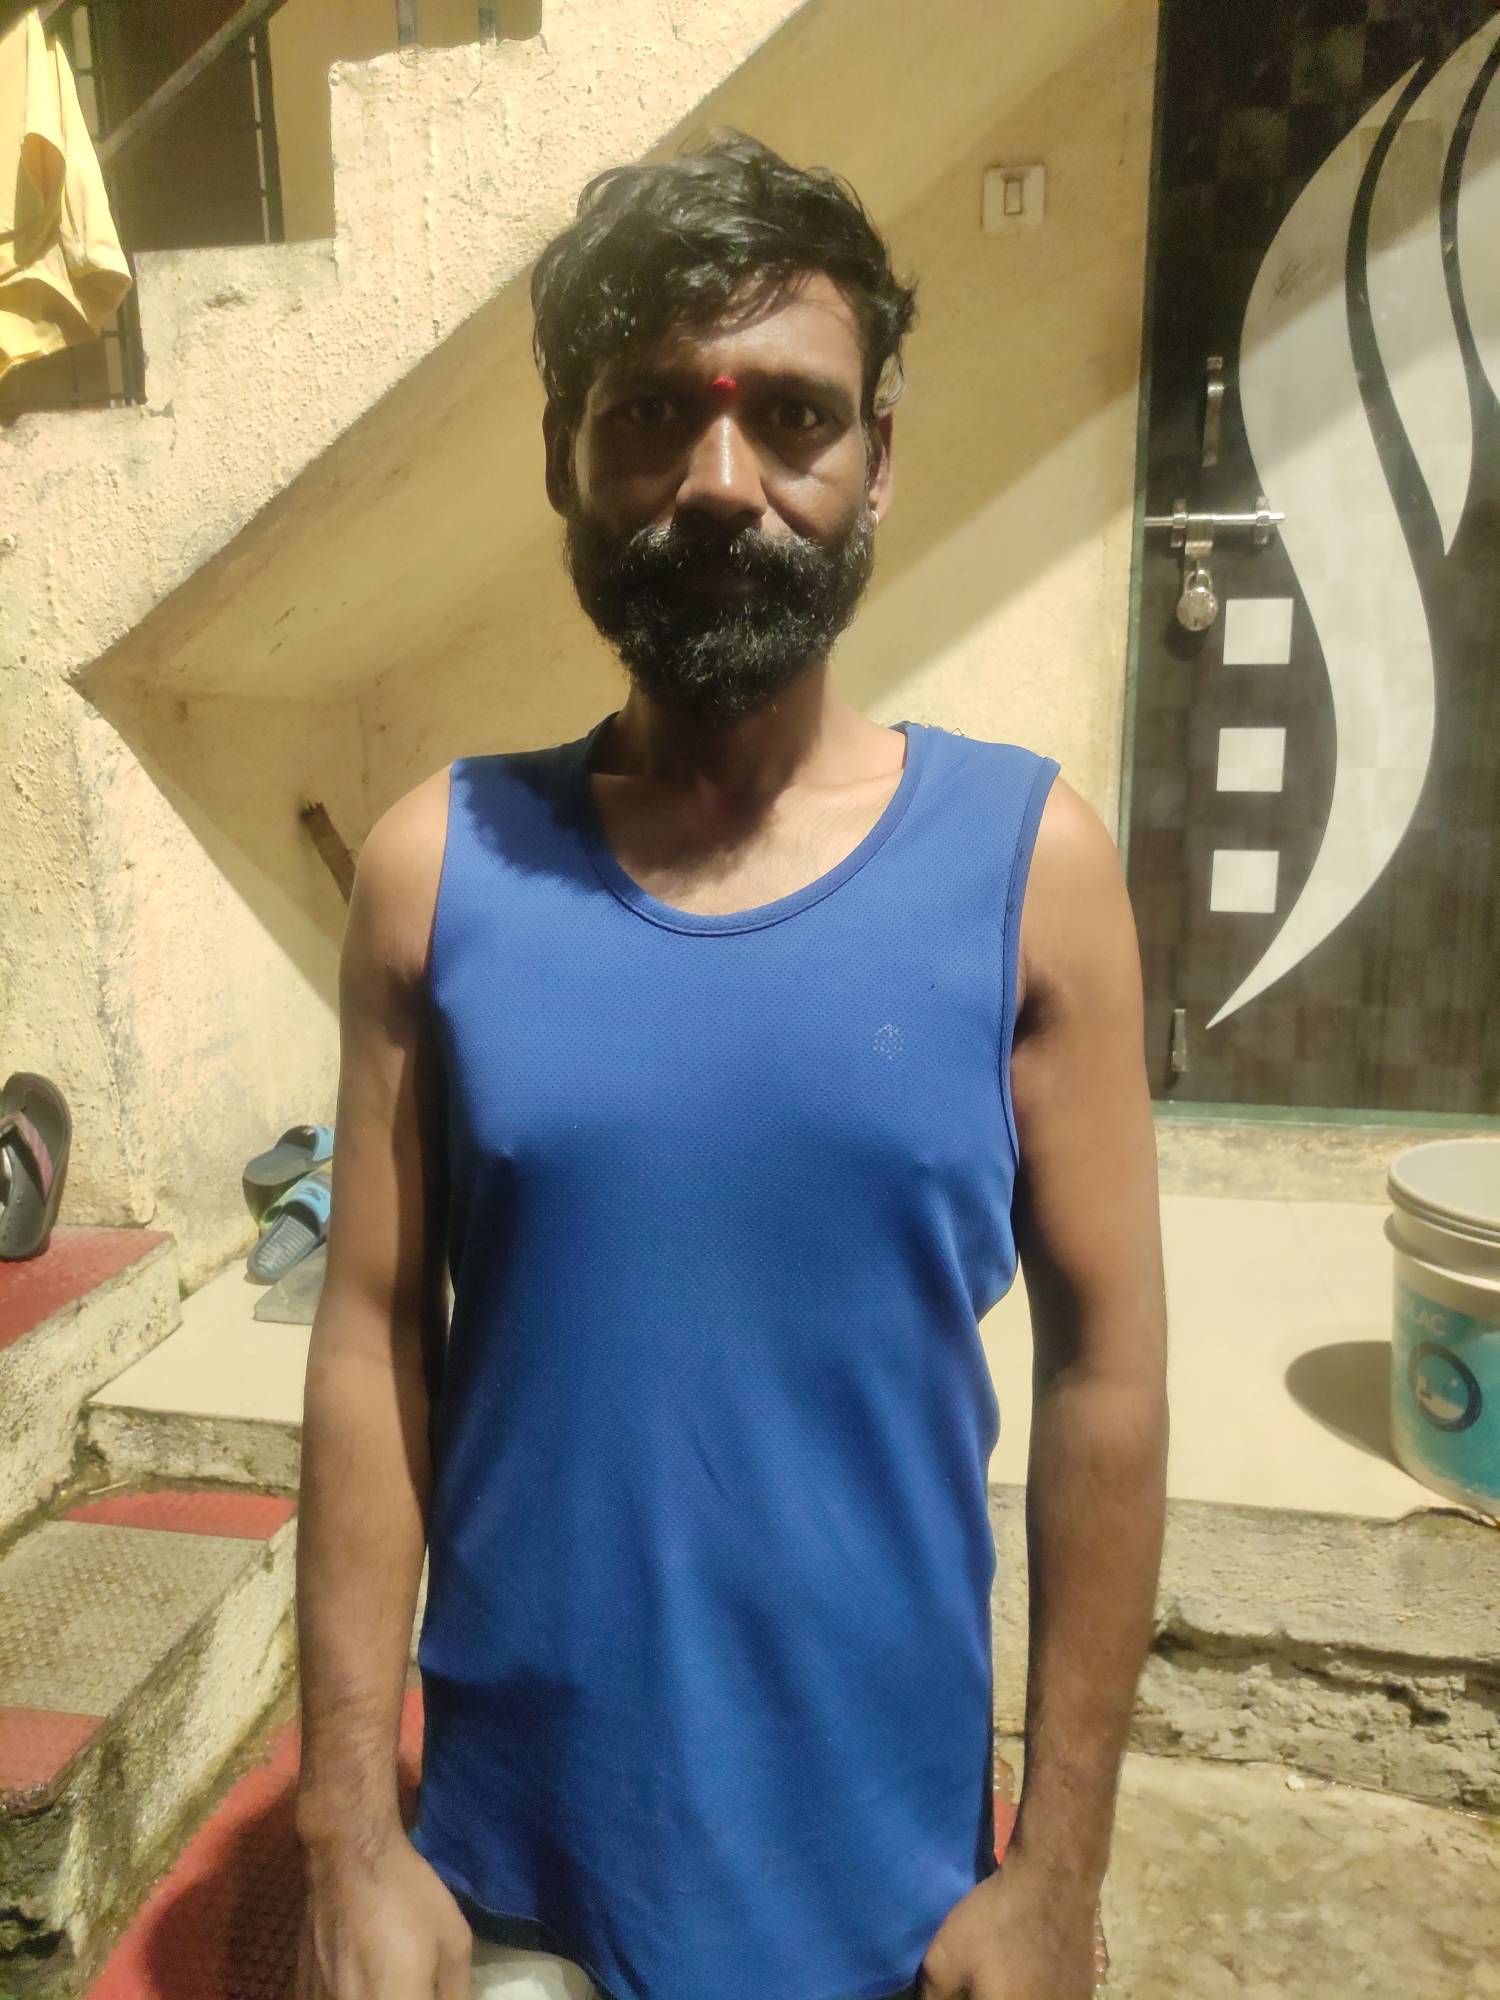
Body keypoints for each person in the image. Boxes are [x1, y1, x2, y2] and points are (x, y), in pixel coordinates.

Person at [291, 129, 1169, 2000]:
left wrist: (1058, 1872)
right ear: (566, 457)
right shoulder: (434, 872)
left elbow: (1108, 1377)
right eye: (650, 415)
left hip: (891, 1884)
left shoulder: (1035, 876)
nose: (720, 481)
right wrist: (348, 1837)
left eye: (792, 416)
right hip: (513, 1877)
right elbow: (369, 1347)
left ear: (876, 464)